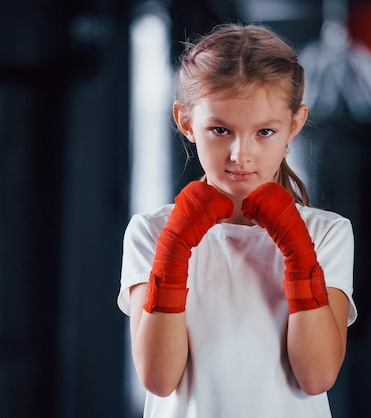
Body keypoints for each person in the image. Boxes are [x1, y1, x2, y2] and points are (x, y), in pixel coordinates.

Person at [118, 23, 357, 418]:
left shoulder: (326, 233)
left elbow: (316, 376)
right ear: (186, 121)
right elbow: (160, 379)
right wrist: (175, 246)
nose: (240, 154)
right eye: (220, 130)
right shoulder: (152, 232)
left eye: (264, 131)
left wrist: (296, 246)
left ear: (294, 125)